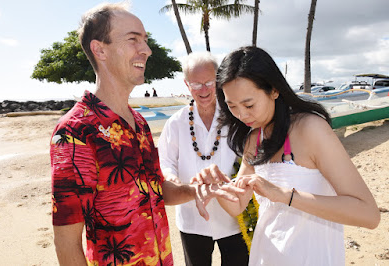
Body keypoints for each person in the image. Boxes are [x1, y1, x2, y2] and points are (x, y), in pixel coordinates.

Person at [50, 3, 240, 265]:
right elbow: (67, 242)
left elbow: (156, 190)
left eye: (146, 40)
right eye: (133, 40)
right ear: (99, 49)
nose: (147, 50)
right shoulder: (75, 131)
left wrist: (197, 189)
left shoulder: (139, 124)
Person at [194, 46, 380, 265]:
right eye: (232, 106)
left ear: (274, 90)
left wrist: (284, 195)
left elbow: (369, 215)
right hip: (265, 256)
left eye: (249, 104)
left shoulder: (310, 128)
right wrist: (218, 188)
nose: (242, 115)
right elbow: (237, 205)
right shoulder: (255, 137)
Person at [158, 51, 249, 266]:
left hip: (234, 218)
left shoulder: (236, 117)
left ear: (218, 80)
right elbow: (166, 162)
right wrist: (175, 182)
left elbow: (251, 158)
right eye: (196, 84)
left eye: (209, 82)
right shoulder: (176, 122)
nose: (204, 90)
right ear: (186, 84)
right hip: (192, 219)